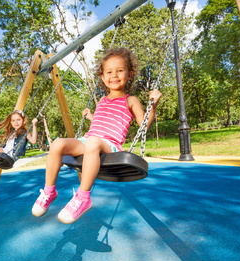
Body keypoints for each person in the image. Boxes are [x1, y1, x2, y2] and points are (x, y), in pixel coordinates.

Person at [32, 47, 162, 224]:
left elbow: (144, 126)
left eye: (120, 71)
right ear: (102, 77)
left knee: (93, 142)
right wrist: (91, 117)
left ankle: (83, 198)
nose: (114, 75)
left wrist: (152, 105)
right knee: (58, 144)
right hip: (90, 140)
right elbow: (100, 124)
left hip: (111, 145)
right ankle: (49, 191)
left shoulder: (130, 100)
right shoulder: (102, 100)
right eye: (109, 72)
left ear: (130, 74)